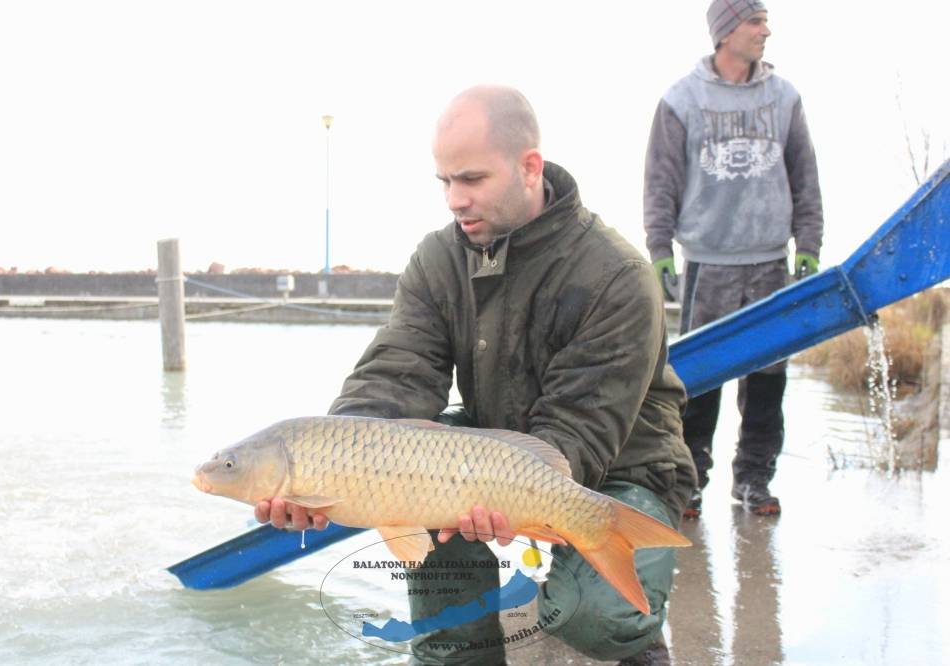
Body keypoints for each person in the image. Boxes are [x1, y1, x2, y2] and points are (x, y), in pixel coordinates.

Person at [256, 85, 695, 665]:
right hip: (494, 451)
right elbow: (396, 374)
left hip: (623, 463)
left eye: (472, 179)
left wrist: (506, 493)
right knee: (412, 480)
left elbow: (579, 432)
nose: (454, 200)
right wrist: (332, 467)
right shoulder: (439, 260)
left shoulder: (618, 276)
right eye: (445, 181)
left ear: (529, 167)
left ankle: (637, 637)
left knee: (599, 618)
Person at [643, 0, 824, 519]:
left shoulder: (785, 98)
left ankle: (753, 481)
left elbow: (805, 177)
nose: (767, 30)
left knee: (768, 379)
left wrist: (808, 244)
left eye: (765, 20)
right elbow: (661, 181)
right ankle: (691, 481)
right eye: (756, 20)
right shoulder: (682, 100)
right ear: (725, 32)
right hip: (708, 260)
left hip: (770, 260)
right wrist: (659, 250)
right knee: (699, 378)